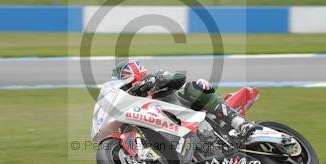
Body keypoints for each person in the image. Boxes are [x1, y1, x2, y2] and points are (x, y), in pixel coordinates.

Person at [111, 60, 259, 141]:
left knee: (197, 86)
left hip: (191, 116)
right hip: (172, 136)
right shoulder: (131, 108)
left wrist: (154, 80)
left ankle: (240, 123)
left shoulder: (155, 80)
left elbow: (179, 77)